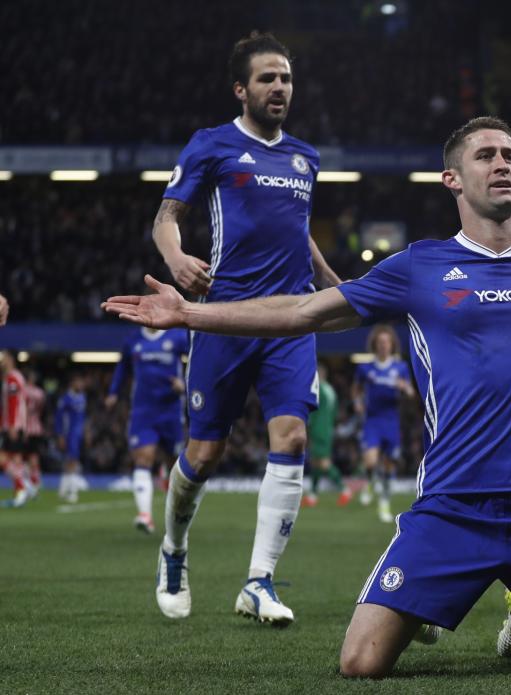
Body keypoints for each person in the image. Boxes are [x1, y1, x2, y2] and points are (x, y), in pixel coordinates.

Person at [103, 116, 511, 678]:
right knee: (360, 661)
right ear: (453, 179)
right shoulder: (419, 267)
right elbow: (302, 309)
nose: (503, 164)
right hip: (451, 508)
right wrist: (194, 315)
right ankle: (505, 595)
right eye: (486, 155)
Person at [147, 32, 341, 625]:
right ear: (242, 89)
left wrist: (338, 288)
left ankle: (259, 582)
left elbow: (298, 232)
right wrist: (177, 261)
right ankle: (174, 551)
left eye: (285, 77)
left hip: (289, 319)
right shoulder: (213, 145)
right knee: (204, 454)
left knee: (292, 439)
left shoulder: (305, 157)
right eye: (267, 78)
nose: (279, 87)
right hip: (224, 317)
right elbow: (165, 219)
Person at [106, 327, 190, 533]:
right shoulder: (133, 339)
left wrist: (186, 384)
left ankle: (171, 495)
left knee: (174, 463)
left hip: (171, 410)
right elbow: (122, 366)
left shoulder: (177, 336)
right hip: (143, 411)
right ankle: (145, 515)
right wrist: (113, 392)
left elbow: (198, 359)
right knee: (143, 458)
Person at [352, 325, 414, 522]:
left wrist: (405, 388)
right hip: (373, 419)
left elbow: (412, 393)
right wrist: (357, 403)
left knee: (388, 465)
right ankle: (370, 480)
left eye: (386, 342)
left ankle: (384, 502)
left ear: (392, 345)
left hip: (391, 420)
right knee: (370, 461)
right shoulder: (365, 368)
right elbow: (356, 389)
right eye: (380, 343)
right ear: (375, 345)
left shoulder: (400, 368)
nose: (383, 346)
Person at [303, 362, 344, 507]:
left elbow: (313, 411)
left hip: (319, 430)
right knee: (315, 463)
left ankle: (344, 490)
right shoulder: (331, 391)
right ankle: (313, 495)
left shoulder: (319, 390)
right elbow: (335, 413)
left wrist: (308, 425)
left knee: (323, 463)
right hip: (327, 429)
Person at [1, 350, 30, 506]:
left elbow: (13, 404)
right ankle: (22, 490)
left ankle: (22, 487)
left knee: (4, 458)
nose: (2, 360)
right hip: (17, 424)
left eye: (4, 357)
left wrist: (11, 425)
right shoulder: (16, 377)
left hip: (13, 425)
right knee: (16, 460)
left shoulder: (12, 378)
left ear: (10, 359)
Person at [55, 373, 87, 504]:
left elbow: (83, 417)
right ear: (73, 383)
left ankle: (62, 490)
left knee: (70, 461)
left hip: (78, 433)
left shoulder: (83, 397)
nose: (81, 385)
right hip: (69, 433)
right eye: (79, 382)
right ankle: (73, 492)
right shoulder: (65, 399)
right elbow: (59, 418)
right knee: (72, 461)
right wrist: (60, 435)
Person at [23, 370, 46, 499]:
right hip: (37, 428)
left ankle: (28, 487)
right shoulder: (40, 393)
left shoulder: (23, 391)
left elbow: (23, 410)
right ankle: (36, 485)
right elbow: (42, 411)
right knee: (34, 459)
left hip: (25, 429)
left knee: (23, 460)